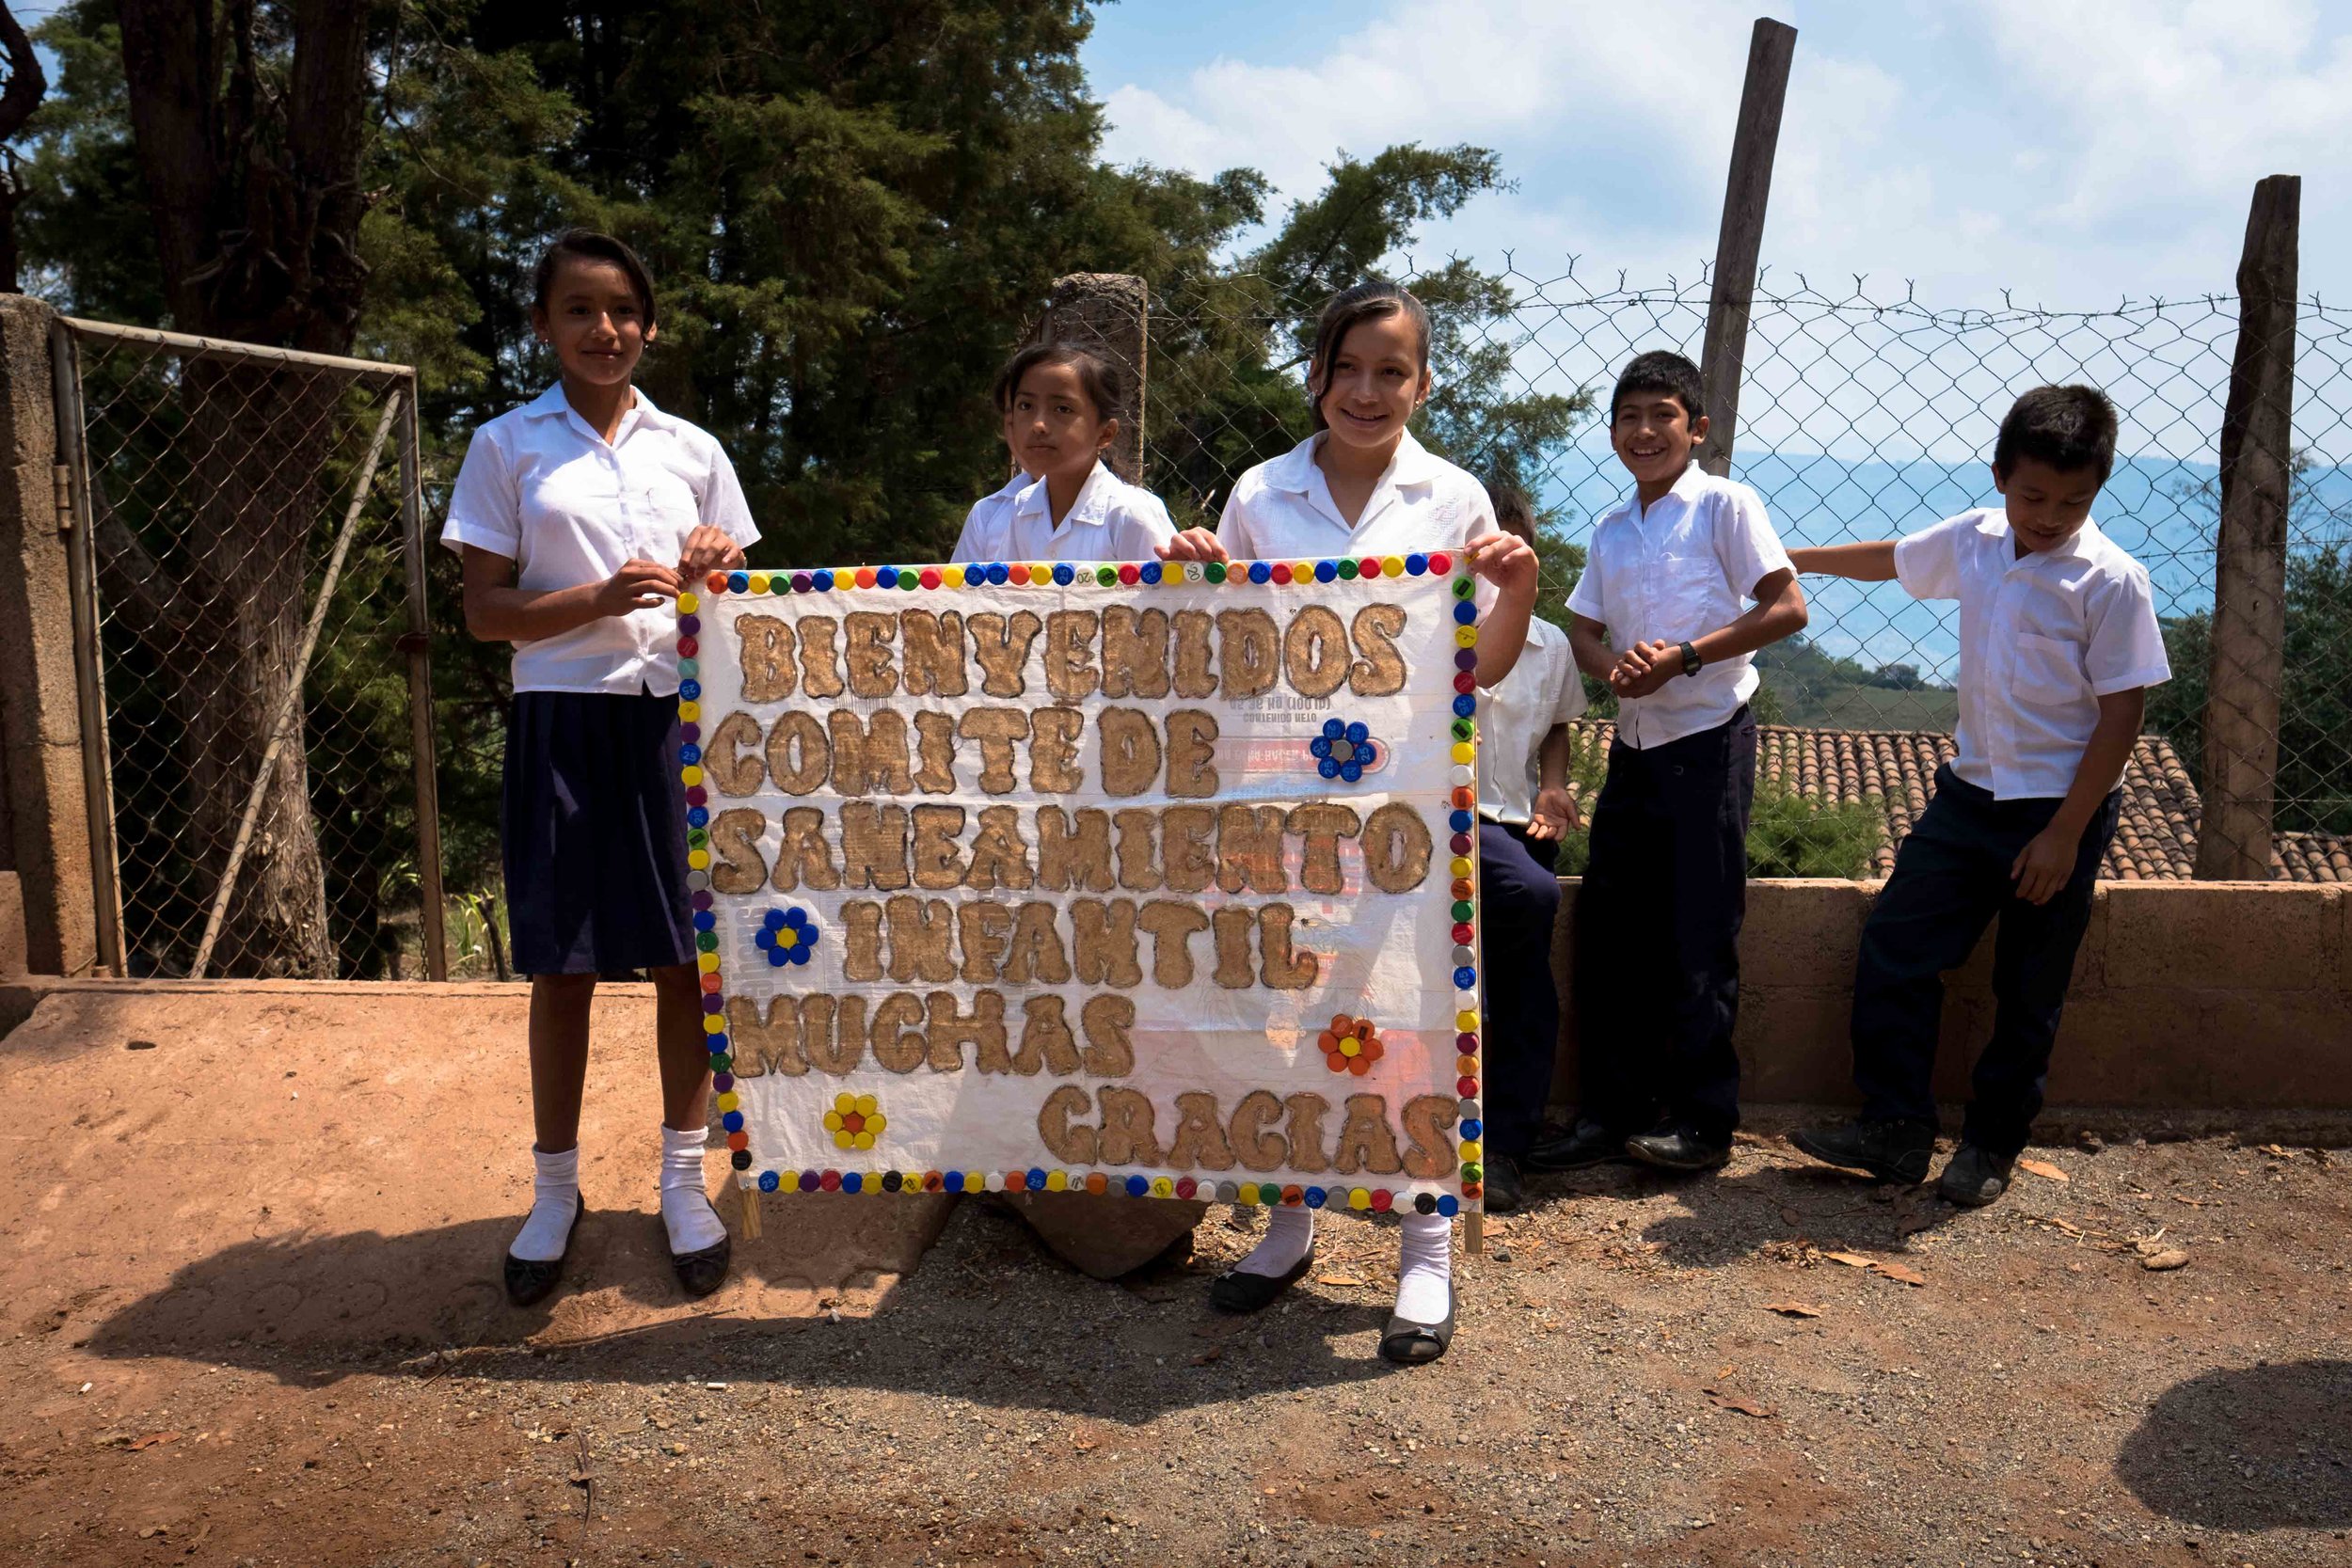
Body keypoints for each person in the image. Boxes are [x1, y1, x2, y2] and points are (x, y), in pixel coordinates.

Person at [1158, 279, 1540, 1364]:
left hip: (1404, 809)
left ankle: (1424, 1252)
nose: (1366, 391)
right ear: (1315, 375)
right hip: (1273, 799)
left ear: (1422, 383)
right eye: (1347, 367)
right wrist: (1193, 582)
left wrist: (1514, 590)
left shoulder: (1453, 497)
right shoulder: (1260, 492)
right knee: (1282, 1008)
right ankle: (1287, 1224)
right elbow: (1223, 648)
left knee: (1408, 1011)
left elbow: (1483, 668)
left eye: (1392, 371)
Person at [443, 230, 759, 1307]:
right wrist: (594, 599)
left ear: (650, 323)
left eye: (623, 308)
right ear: (544, 326)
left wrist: (712, 571)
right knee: (563, 967)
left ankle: (682, 1181)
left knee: (684, 960)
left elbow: (736, 601)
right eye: (578, 310)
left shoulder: (693, 448)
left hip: (673, 726)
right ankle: (553, 1190)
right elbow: (485, 613)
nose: (604, 329)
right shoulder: (505, 444)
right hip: (563, 722)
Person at [1787, 386, 2167, 1206]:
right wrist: (1796, 561)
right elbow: (1895, 559)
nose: (2049, 515)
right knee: (1895, 945)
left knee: (2028, 986)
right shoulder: (1977, 540)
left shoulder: (2112, 580)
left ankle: (1992, 1144)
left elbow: (2123, 712)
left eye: (2073, 500)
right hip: (1969, 795)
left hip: (2060, 808)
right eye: (2033, 495)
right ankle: (1894, 1129)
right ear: (2001, 476)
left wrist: (2066, 832)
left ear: (2098, 490)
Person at [1527, 349, 1807, 1178]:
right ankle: (1610, 1113)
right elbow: (1580, 628)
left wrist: (1686, 656)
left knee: (1698, 932)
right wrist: (1610, 663)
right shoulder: (1614, 529)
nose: (1644, 432)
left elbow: (1786, 606)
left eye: (1662, 416)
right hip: (1636, 750)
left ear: (1698, 428)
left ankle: (1702, 1120)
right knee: (1611, 933)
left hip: (1709, 742)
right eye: (1629, 418)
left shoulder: (1726, 505)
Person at [1470, 483, 1586, 1213]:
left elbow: (1557, 726)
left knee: (1521, 970)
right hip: (1439, 817)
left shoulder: (1551, 647)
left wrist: (1554, 785)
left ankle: (1506, 1142)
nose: (1494, 564)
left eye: (1509, 547)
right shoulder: (1416, 627)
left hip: (1513, 823)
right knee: (1530, 898)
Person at [949, 343, 1174, 562]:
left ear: (1105, 433)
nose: (1038, 424)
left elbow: (1167, 597)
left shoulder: (1131, 513)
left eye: (1063, 409)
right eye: (1025, 406)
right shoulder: (1021, 508)